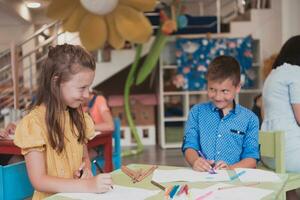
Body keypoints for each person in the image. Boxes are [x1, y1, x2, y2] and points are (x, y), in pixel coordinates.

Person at [13, 44, 113, 200]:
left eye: (89, 87)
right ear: (56, 82)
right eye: (82, 88)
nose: (87, 94)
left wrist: (86, 169)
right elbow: (39, 181)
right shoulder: (34, 124)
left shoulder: (79, 118)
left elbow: (84, 157)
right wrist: (87, 185)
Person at [182, 55, 259, 172]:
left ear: (238, 87)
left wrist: (230, 169)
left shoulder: (250, 119)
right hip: (203, 178)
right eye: (212, 89)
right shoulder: (196, 112)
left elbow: (251, 159)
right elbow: (189, 146)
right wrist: (195, 161)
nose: (218, 97)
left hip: (234, 182)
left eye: (224, 91)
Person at [261, 36, 300, 199]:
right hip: (291, 156)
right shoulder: (295, 72)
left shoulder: (272, 76)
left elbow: (263, 114)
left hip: (270, 156)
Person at [83, 91, 114, 159]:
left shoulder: (99, 100)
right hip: (88, 143)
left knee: (81, 159)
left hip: (101, 145)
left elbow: (110, 126)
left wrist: (88, 127)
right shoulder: (83, 106)